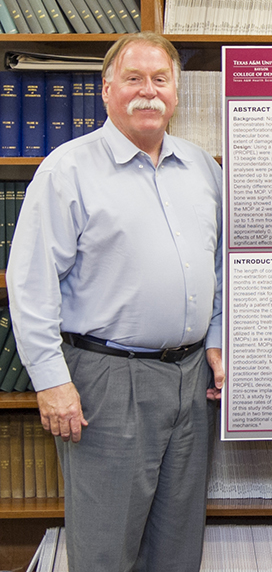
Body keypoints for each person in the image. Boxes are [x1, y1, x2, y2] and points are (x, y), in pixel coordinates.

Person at [7, 32, 223, 572]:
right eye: (132, 79)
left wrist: (217, 341)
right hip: (106, 381)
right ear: (106, 91)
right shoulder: (67, 170)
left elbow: (221, 270)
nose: (147, 92)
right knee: (105, 550)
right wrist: (52, 383)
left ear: (177, 92)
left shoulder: (203, 169)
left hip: (193, 379)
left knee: (177, 548)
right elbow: (30, 285)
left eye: (159, 80)